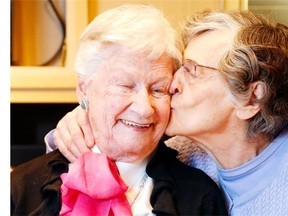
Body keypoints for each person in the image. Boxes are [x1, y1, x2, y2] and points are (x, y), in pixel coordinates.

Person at [46, 9, 288, 216]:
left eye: (193, 70)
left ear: (251, 98)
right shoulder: (185, 151)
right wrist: (85, 115)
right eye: (181, 68)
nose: (172, 84)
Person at [11, 4, 228, 216]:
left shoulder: (201, 197)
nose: (144, 109)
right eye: (125, 86)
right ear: (84, 90)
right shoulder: (18, 190)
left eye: (159, 89)